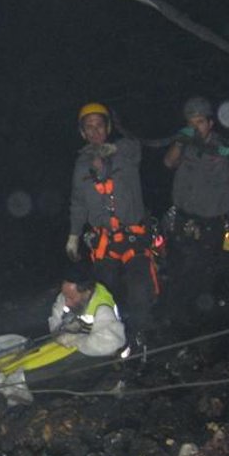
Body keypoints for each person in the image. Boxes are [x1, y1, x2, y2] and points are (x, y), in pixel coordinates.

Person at [65, 101, 157, 353]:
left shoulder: (126, 152)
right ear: (83, 132)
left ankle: (142, 341)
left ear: (107, 128)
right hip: (104, 242)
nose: (94, 131)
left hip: (134, 237)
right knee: (106, 296)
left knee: (140, 290)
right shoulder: (81, 165)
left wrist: (113, 149)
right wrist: (73, 235)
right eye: (89, 127)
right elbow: (78, 203)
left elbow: (135, 146)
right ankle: (114, 343)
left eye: (99, 125)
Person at [161, 96, 229, 327]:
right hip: (184, 220)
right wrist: (180, 142)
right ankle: (176, 320)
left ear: (210, 123)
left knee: (208, 272)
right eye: (191, 123)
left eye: (199, 122)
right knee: (179, 269)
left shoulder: (224, 145)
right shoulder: (184, 143)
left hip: (213, 223)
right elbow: (168, 163)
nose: (195, 127)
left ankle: (205, 321)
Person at [48, 264, 127, 358]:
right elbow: (55, 323)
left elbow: (109, 344)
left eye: (71, 298)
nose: (66, 303)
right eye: (65, 296)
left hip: (101, 357)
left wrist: (74, 340)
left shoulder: (103, 308)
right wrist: (60, 334)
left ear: (87, 292)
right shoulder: (67, 295)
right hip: (73, 350)